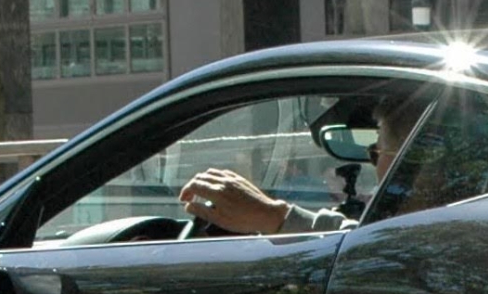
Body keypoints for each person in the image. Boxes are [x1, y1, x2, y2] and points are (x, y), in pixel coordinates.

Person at [177, 93, 429, 235]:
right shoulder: (440, 221)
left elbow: (368, 250)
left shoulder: (427, 234)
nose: (373, 165)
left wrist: (275, 216)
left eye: (376, 152)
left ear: (415, 161)